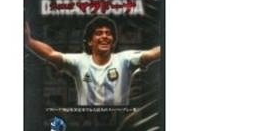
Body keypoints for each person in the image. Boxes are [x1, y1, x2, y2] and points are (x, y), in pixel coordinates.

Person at [24, 16, 161, 106]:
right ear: (90, 41)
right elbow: (51, 54)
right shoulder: (79, 62)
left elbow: (151, 54)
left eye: (108, 33)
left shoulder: (125, 59)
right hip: (87, 125)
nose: (104, 36)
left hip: (119, 126)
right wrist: (28, 41)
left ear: (113, 41)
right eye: (99, 33)